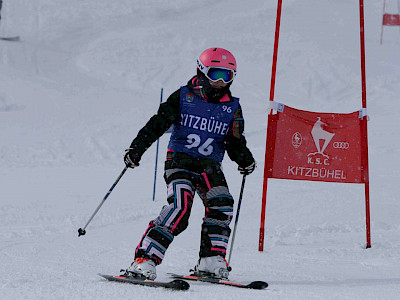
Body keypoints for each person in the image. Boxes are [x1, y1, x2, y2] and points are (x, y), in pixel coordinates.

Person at [123, 47, 256, 280]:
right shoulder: (184, 96)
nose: (220, 82)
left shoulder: (232, 107)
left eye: (227, 76)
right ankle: (144, 259)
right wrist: (137, 149)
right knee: (180, 207)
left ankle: (211, 259)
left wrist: (245, 159)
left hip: (209, 166)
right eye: (216, 74)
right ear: (202, 71)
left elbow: (234, 140)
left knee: (221, 203)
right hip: (180, 161)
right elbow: (158, 123)